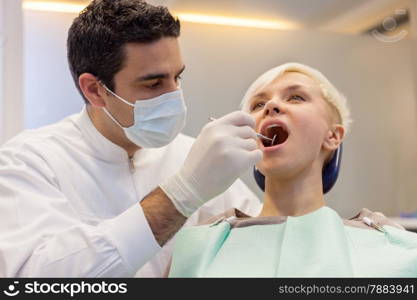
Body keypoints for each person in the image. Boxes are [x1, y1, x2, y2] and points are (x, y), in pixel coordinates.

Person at [0, 0, 263, 277]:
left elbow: (265, 236)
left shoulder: (192, 156)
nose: (175, 96)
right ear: (94, 90)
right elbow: (38, 279)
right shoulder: (29, 162)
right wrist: (183, 193)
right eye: (153, 83)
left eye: (178, 77)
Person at [168, 62, 417, 277]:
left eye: (296, 97)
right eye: (258, 104)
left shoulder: (391, 244)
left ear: (333, 136)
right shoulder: (200, 246)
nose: (271, 106)